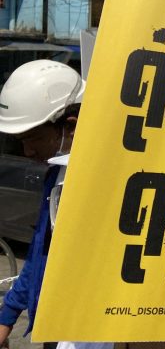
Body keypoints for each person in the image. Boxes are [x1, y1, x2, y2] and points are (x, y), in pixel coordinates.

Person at [0, 60, 85, 345]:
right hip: (56, 330)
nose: (27, 151)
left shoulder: (104, 182)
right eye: (19, 142)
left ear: (70, 127)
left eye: (34, 139)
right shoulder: (56, 175)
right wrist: (7, 315)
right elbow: (41, 255)